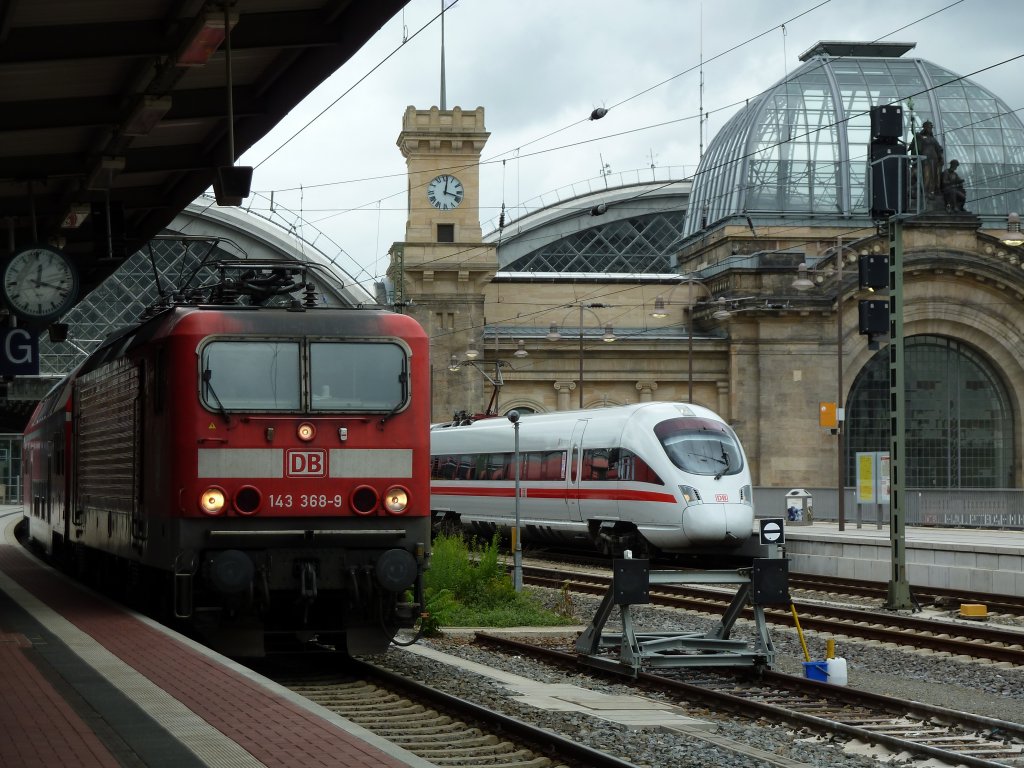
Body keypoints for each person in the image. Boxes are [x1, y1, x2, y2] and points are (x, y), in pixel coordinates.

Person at [911, 120, 944, 201]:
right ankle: (925, 191)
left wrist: (940, 157)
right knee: (927, 175)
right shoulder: (921, 137)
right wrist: (912, 122)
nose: (930, 129)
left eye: (931, 127)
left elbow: (939, 148)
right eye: (929, 127)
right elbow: (913, 132)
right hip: (925, 159)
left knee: (934, 176)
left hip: (934, 159)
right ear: (925, 128)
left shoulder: (933, 139)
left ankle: (932, 192)